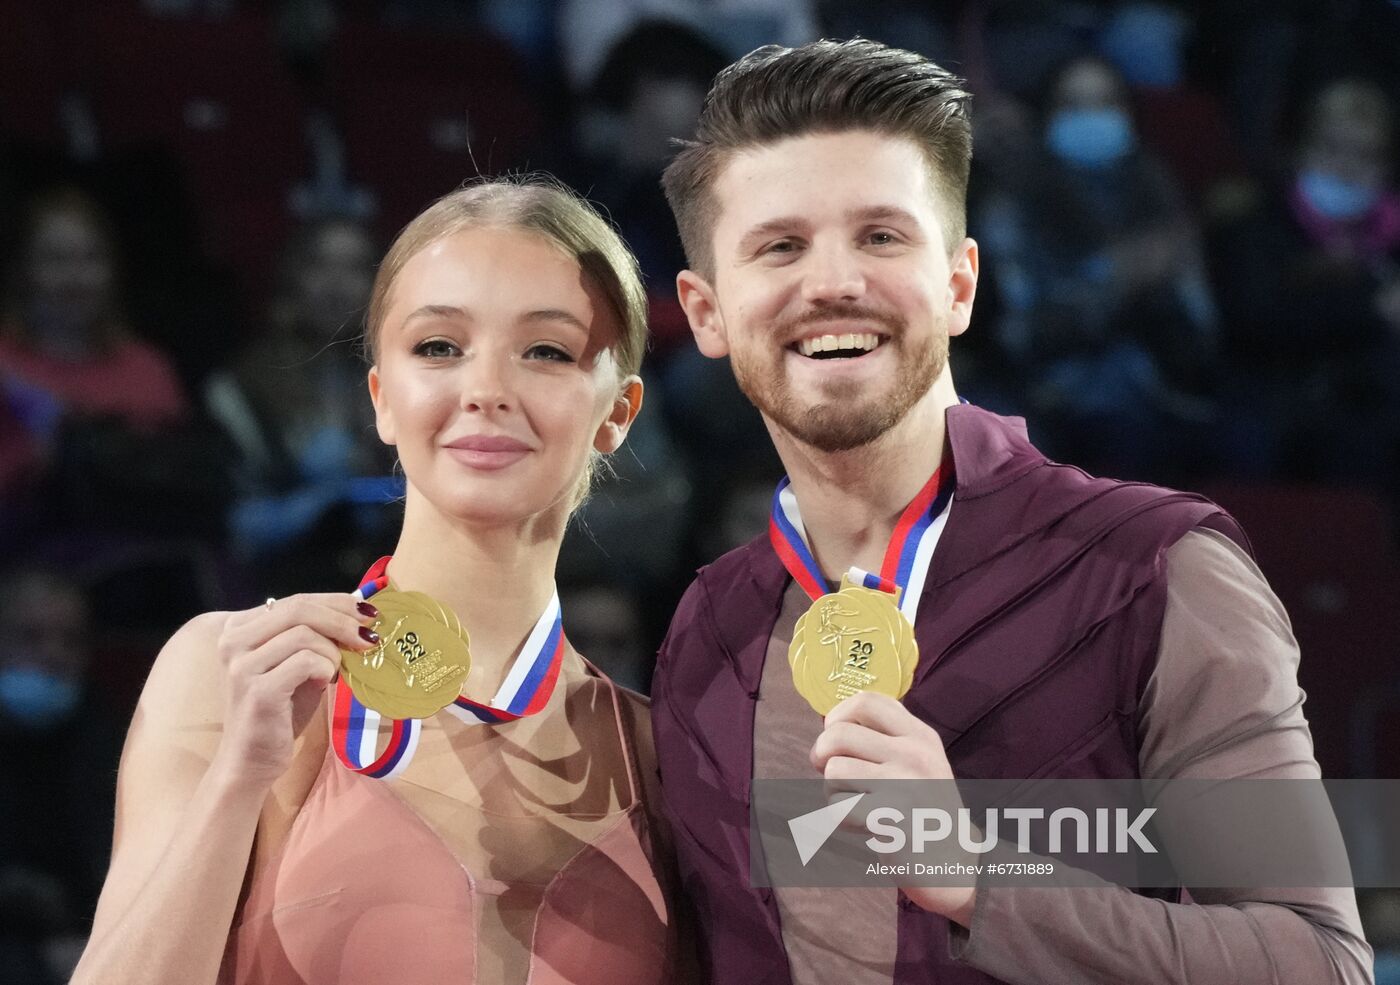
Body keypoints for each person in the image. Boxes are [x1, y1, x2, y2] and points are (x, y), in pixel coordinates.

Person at [653, 39, 1373, 984]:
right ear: (708, 312)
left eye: (881, 235)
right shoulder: (707, 628)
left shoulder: (1153, 567)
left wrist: (979, 875)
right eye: (780, 245)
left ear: (960, 282)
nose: (832, 281)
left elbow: (1320, 962)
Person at [72, 177, 687, 985]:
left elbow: (852, 932)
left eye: (547, 350)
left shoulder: (661, 754)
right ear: (382, 401)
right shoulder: (228, 674)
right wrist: (239, 781)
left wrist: (912, 837)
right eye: (439, 346)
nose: (487, 388)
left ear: (619, 412)